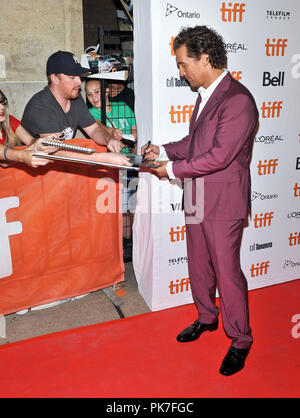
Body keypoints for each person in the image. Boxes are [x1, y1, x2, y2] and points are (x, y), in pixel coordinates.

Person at [142, 26, 259, 376]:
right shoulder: (205, 95)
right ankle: (207, 317)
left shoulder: (238, 100)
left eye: (182, 64)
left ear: (205, 58)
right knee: (199, 266)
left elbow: (220, 156)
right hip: (195, 196)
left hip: (223, 203)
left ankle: (240, 340)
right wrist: (161, 150)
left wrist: (171, 169)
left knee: (227, 273)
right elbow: (196, 144)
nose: (180, 72)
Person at [21, 50, 131, 168]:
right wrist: (103, 158)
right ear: (54, 79)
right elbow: (54, 150)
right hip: (35, 173)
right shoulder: (41, 106)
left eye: (79, 76)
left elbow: (94, 130)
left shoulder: (75, 98)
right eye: (72, 77)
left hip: (57, 169)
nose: (79, 82)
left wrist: (108, 139)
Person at [85, 78, 137, 259]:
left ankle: (131, 247)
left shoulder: (123, 106)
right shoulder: (88, 114)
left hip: (132, 165)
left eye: (96, 92)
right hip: (110, 169)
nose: (93, 97)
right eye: (89, 94)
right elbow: (95, 131)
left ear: (106, 91)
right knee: (120, 211)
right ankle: (122, 250)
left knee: (134, 207)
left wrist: (135, 151)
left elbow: (135, 130)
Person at [0, 89, 57, 168]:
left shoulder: (9, 120)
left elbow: (30, 140)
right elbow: (4, 163)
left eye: (2, 101)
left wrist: (42, 142)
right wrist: (28, 152)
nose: (2, 106)